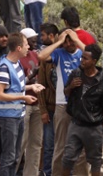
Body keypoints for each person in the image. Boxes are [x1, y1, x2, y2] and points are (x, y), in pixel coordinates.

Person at [0, 32, 44, 176]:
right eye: (26, 44)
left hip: (17, 114)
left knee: (15, 156)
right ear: (19, 48)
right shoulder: (5, 67)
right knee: (9, 156)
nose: (29, 47)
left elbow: (14, 87)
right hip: (7, 116)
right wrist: (23, 97)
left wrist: (30, 87)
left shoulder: (17, 64)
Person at [38, 29, 88, 176]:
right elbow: (41, 56)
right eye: (65, 42)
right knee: (60, 145)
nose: (68, 44)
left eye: (70, 40)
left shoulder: (82, 55)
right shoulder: (58, 54)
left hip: (81, 105)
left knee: (82, 147)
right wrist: (59, 42)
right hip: (62, 104)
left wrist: (77, 40)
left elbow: (95, 56)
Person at [62, 44, 103, 176]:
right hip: (76, 124)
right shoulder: (76, 73)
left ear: (94, 61)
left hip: (94, 126)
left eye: (85, 58)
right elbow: (66, 92)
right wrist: (71, 87)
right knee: (68, 158)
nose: (82, 61)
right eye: (82, 57)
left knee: (96, 161)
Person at [17, 28, 42, 176]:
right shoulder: (19, 58)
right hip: (24, 103)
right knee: (21, 143)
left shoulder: (35, 54)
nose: (34, 42)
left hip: (37, 103)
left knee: (36, 143)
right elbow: (16, 84)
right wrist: (32, 76)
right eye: (31, 40)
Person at [37, 23, 59, 176]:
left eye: (43, 35)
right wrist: (43, 110)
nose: (41, 38)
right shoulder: (45, 59)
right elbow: (41, 85)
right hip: (50, 109)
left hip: (66, 110)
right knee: (49, 145)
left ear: (51, 36)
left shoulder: (68, 55)